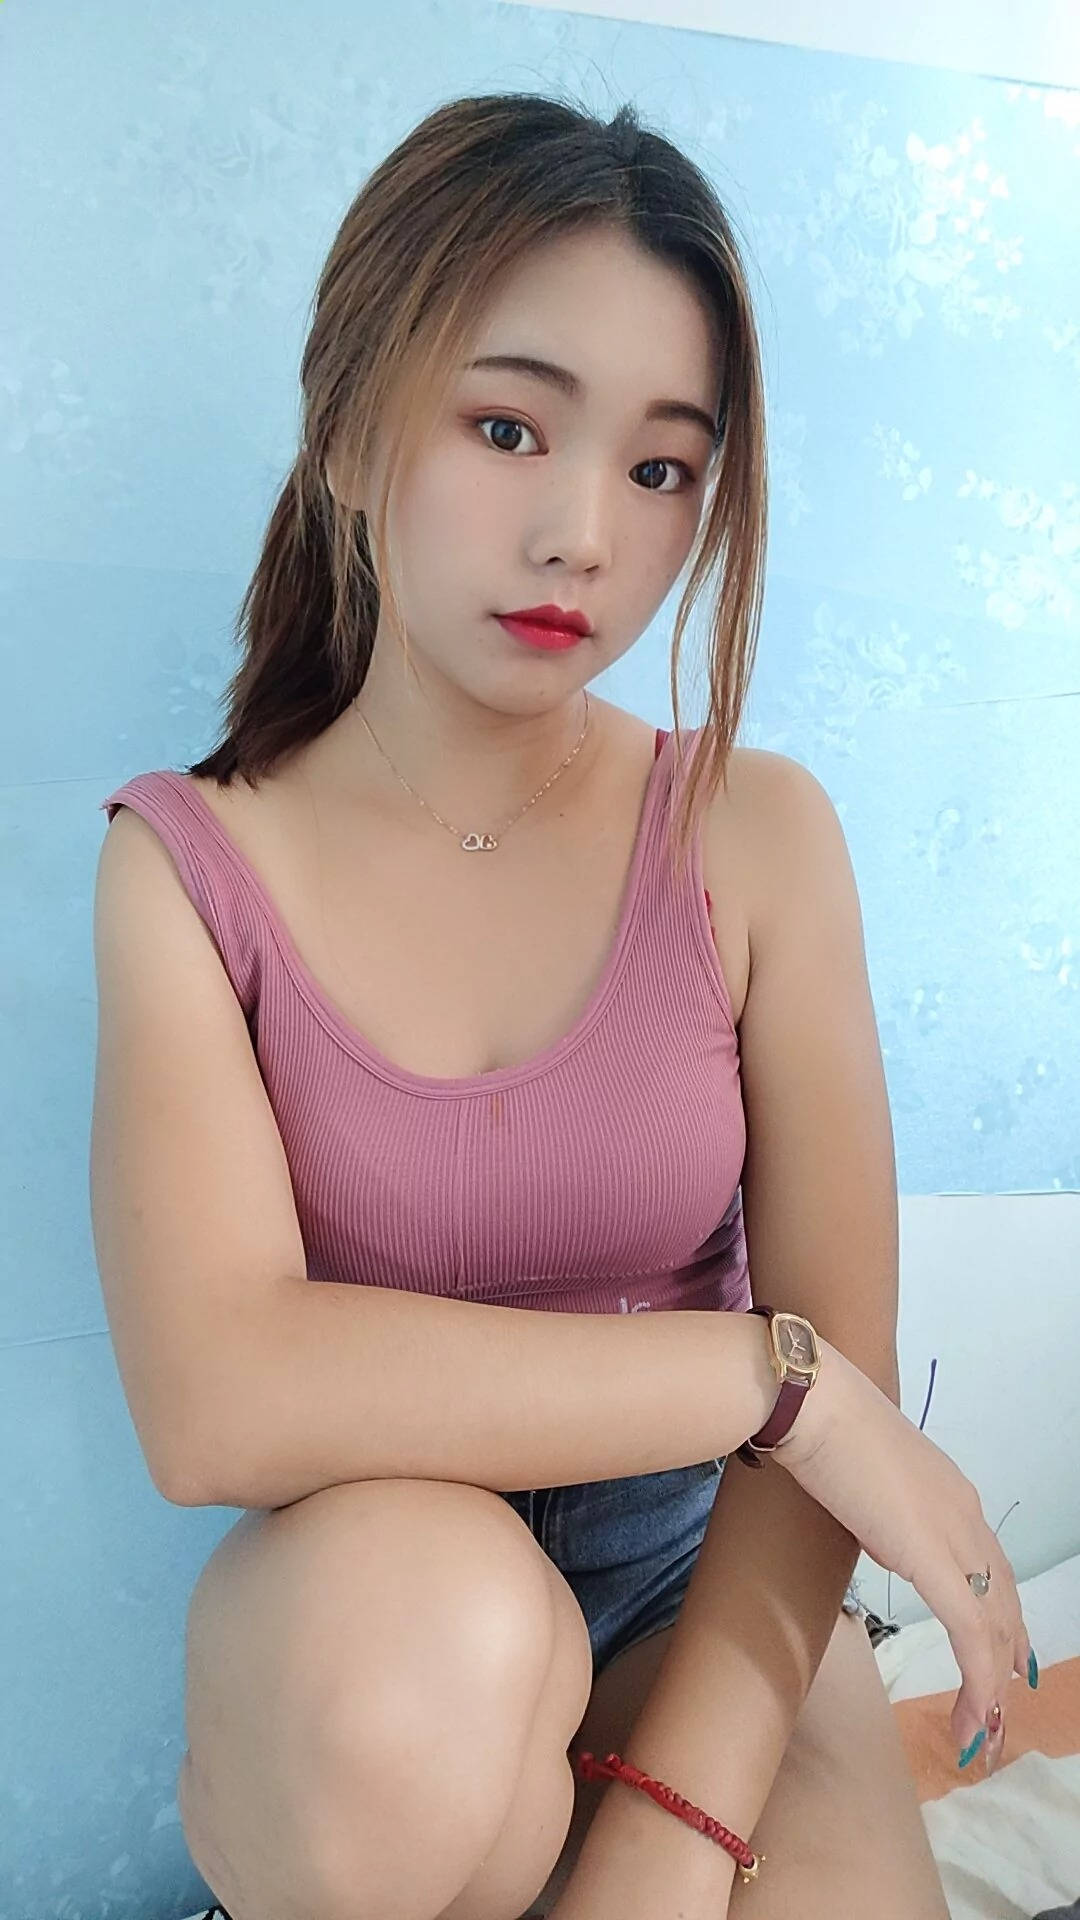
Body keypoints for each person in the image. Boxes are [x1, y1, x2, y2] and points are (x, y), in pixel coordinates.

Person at [90, 93, 1034, 1920]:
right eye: (509, 427)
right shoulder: (187, 865)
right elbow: (216, 1399)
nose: (581, 535)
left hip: (704, 1585)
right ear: (350, 424)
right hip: (372, 1619)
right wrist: (773, 1383)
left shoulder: (757, 836)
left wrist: (673, 1839)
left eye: (663, 469)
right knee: (423, 1673)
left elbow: (817, 1428)